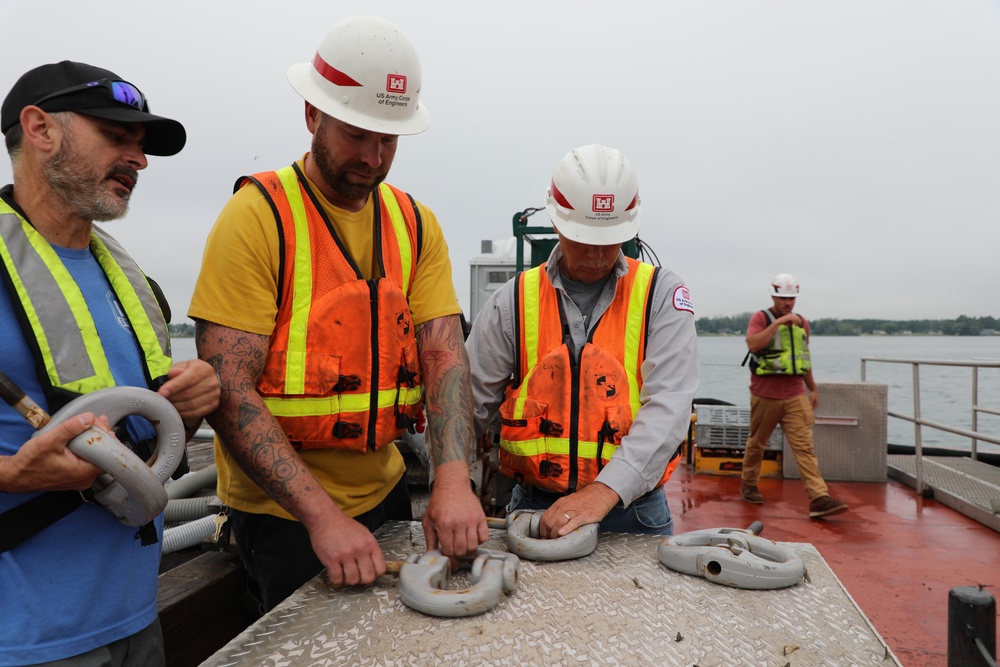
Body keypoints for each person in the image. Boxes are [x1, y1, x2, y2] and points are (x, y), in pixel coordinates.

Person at [188, 15, 487, 613]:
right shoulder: (258, 216)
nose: (374, 159)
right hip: (283, 514)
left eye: (390, 140)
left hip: (385, 492)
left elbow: (444, 359)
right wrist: (322, 518)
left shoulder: (415, 223)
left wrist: (453, 479)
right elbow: (227, 389)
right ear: (312, 116)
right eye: (357, 135)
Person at [0, 61, 220, 666]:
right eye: (117, 137)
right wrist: (15, 475)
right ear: (39, 129)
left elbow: (149, 449)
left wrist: (189, 408)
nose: (138, 160)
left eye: (142, 146)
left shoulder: (134, 285)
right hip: (23, 641)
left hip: (134, 620)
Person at [467, 144, 699, 539]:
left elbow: (670, 406)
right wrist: (456, 485)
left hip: (633, 512)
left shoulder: (660, 294)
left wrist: (603, 492)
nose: (596, 253)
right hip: (535, 510)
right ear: (557, 223)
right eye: (583, 238)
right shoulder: (513, 300)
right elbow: (463, 402)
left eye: (609, 239)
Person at [740, 273, 848, 518]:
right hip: (765, 395)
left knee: (805, 448)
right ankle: (749, 484)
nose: (787, 302)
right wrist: (779, 323)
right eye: (782, 298)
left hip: (795, 395)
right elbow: (753, 344)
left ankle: (819, 498)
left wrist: (813, 388)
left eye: (791, 298)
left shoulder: (803, 323)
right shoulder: (761, 318)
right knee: (757, 443)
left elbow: (802, 357)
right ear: (773, 296)